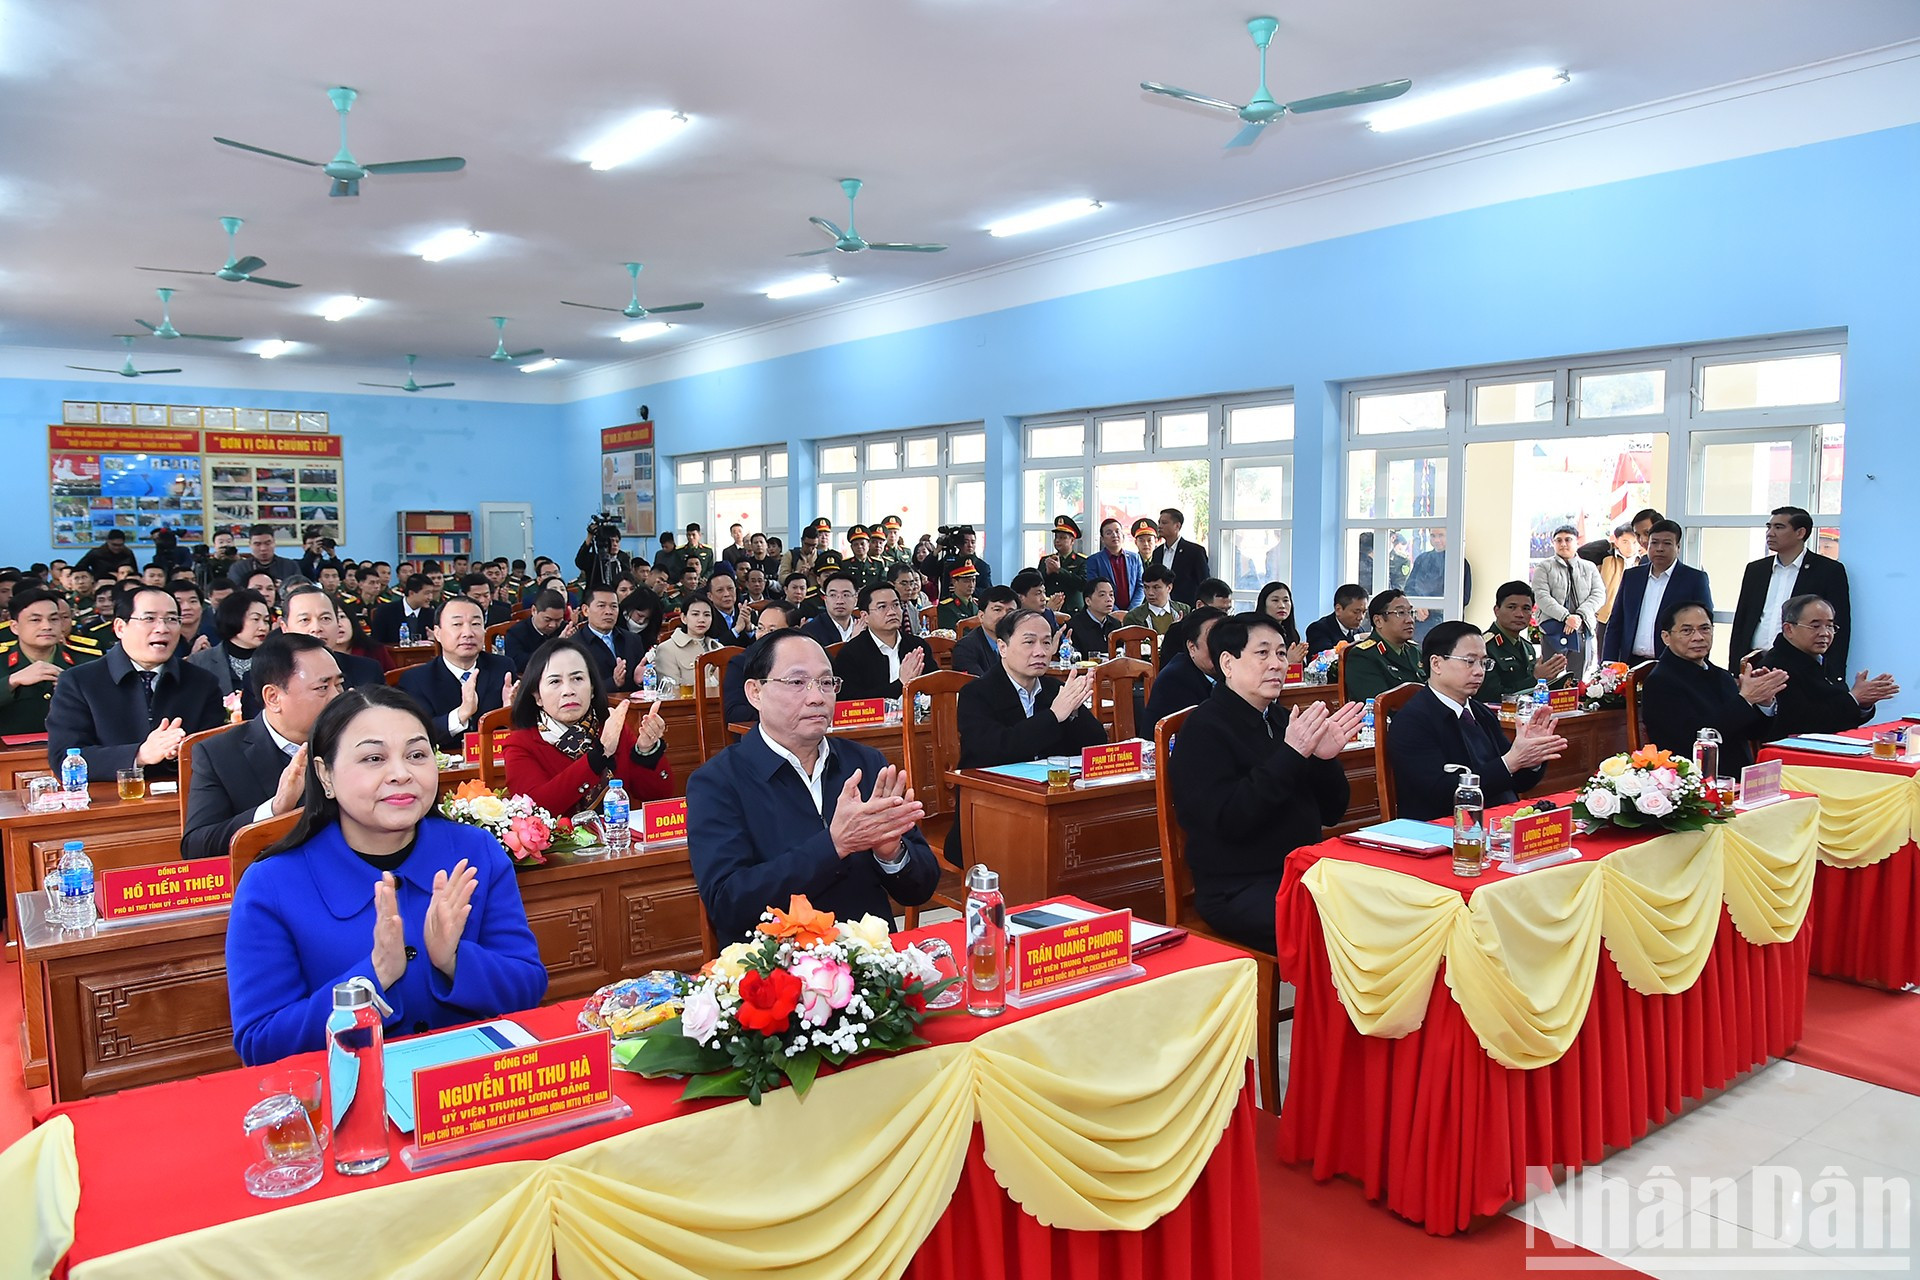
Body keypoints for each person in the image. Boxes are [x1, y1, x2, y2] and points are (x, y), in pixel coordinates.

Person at [225, 687, 548, 1065]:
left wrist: (454, 960)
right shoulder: (271, 885)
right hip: (351, 1102)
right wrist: (374, 977)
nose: (400, 774)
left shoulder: (475, 852)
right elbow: (261, 1044)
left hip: (470, 1093)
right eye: (374, 758)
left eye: (416, 755)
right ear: (324, 775)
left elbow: (528, 987)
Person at [687, 632, 941, 941]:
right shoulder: (717, 781)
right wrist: (834, 846)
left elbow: (921, 888)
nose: (817, 697)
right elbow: (729, 903)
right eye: (797, 683)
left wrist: (891, 854)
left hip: (870, 965)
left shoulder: (864, 763)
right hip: (776, 971)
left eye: (826, 682)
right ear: (755, 692)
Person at [1170, 614, 1363, 951]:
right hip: (1237, 887)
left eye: (1280, 653)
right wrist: (1292, 754)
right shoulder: (1204, 729)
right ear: (1228, 663)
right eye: (1263, 654)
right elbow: (1230, 821)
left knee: (1387, 911)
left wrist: (1323, 759)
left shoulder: (1282, 718)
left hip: (1304, 872)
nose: (1277, 664)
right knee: (1343, 932)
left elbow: (1333, 812)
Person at [952, 608, 1108, 864]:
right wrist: (1054, 716)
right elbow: (997, 749)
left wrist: (1074, 708)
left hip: (1051, 802)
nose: (1040, 651)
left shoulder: (1054, 689)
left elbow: (1095, 745)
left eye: (1047, 642)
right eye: (1029, 642)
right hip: (992, 807)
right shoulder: (976, 693)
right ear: (1002, 647)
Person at [182, 633, 343, 859]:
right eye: (323, 688)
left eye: (340, 684)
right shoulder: (219, 754)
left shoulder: (355, 740)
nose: (338, 697)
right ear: (273, 697)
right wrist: (275, 809)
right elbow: (198, 846)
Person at [1386, 622, 1567, 821]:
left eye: (1483, 663)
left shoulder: (1481, 712)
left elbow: (1518, 782)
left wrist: (1532, 757)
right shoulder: (1412, 721)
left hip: (1498, 820)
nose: (1479, 671)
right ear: (1436, 664)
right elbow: (1440, 792)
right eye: (1469, 662)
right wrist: (1510, 762)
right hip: (1443, 829)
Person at [44, 585, 225, 775]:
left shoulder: (203, 682)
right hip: (109, 801)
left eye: (172, 619)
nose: (162, 628)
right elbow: (64, 757)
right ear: (120, 628)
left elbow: (215, 753)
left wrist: (178, 752)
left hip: (184, 798)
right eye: (149, 619)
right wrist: (140, 755)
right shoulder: (78, 682)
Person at [501, 637, 673, 816]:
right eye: (555, 682)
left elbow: (658, 796)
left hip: (616, 839)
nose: (568, 690)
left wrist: (646, 751)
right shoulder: (520, 744)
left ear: (592, 689)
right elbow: (536, 810)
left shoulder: (611, 728)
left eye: (577, 678)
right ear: (537, 696)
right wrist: (598, 755)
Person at [1641, 601, 1788, 773]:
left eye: (1705, 628)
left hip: (1741, 776)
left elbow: (1752, 733)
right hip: (1694, 779)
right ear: (1666, 637)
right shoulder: (1660, 682)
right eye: (1687, 631)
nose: (1698, 637)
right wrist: (1746, 699)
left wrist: (1763, 702)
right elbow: (1695, 738)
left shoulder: (1721, 675)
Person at [1731, 505, 1852, 671]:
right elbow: (1742, 621)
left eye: (1779, 527)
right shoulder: (1756, 570)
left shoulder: (1828, 570)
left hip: (1800, 665)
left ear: (1800, 533)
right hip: (1756, 661)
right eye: (1769, 527)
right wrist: (1734, 668)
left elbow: (1839, 625)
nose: (1770, 533)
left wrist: (1834, 673)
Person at [1765, 594, 1900, 738]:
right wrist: (1853, 699)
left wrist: (1863, 704)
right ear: (1789, 629)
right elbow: (1800, 723)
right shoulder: (1776, 667)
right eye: (1815, 626)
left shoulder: (1822, 660)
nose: (1825, 633)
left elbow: (1840, 715)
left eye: (1830, 626)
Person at [397, 597, 518, 752]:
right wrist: (462, 714)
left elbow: (520, 727)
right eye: (457, 624)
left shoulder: (502, 667)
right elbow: (417, 733)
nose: (468, 633)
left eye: (475, 624)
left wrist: (509, 713)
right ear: (438, 634)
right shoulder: (416, 679)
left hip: (495, 761)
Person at [1604, 520, 1714, 664]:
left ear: (1678, 547)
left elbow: (1705, 626)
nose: (1659, 548)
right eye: (1654, 543)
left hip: (1673, 665)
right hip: (1631, 663)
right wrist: (1608, 663)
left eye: (1667, 543)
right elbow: (1616, 623)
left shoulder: (1694, 579)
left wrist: (1699, 664)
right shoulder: (1632, 577)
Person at [0, 588, 94, 735]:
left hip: (75, 752)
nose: (47, 626)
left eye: (54, 619)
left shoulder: (88, 661)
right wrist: (11, 682)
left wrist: (77, 691)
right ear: (15, 627)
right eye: (35, 620)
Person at [833, 582, 931, 700]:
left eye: (896, 605)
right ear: (865, 616)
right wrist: (901, 683)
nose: (892, 612)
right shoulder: (850, 654)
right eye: (882, 607)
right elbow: (851, 701)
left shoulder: (917, 646)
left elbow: (936, 685)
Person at [280, 585, 385, 691]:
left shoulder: (368, 670)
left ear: (337, 623)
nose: (316, 628)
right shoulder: (270, 673)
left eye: (325, 618)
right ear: (285, 628)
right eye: (305, 620)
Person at [1530, 525, 1605, 670]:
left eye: (1568, 540)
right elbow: (1541, 596)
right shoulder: (1544, 567)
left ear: (1577, 542)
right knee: (1551, 676)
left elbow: (1599, 594)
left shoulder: (1589, 567)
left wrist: (1579, 616)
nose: (1563, 544)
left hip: (1581, 629)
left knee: (1578, 679)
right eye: (1558, 540)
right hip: (1553, 629)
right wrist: (1565, 617)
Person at [1143, 606, 1227, 735]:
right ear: (1192, 647)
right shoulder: (1175, 679)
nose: (1221, 647)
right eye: (1213, 639)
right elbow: (1208, 729)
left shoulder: (1229, 673)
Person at [1482, 581, 1568, 700]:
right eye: (1511, 607)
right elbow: (1491, 696)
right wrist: (1536, 679)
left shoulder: (1528, 647)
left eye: (1526, 608)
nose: (1519, 614)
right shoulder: (1483, 647)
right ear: (1497, 610)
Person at [187, 587, 271, 705]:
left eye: (266, 620)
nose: (263, 627)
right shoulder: (200, 661)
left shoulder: (275, 660)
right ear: (234, 618)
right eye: (256, 619)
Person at [1337, 589, 1424, 701]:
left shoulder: (1414, 651)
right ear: (1378, 621)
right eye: (1401, 613)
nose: (1410, 620)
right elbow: (1380, 707)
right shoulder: (1363, 656)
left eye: (1411, 612)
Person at [724, 601, 798, 730]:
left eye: (771, 630)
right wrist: (781, 710)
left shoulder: (807, 660)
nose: (763, 635)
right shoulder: (740, 664)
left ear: (794, 631)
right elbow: (734, 713)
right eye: (760, 628)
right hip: (759, 734)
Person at [1586, 522, 1641, 661]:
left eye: (1635, 542)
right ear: (1616, 541)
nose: (1630, 547)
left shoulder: (1643, 561)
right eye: (1625, 542)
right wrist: (1607, 544)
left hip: (1633, 615)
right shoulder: (1607, 558)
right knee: (1605, 657)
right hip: (1607, 615)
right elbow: (1583, 552)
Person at [650, 595, 724, 692]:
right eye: (695, 614)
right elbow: (670, 692)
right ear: (684, 618)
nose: (701, 619)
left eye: (707, 615)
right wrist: (713, 681)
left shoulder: (719, 648)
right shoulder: (667, 649)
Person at [951, 586, 1017, 678]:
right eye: (997, 610)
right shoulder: (966, 648)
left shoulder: (1021, 643)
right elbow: (978, 686)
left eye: (1010, 611)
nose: (1004, 616)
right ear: (981, 616)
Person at [503, 589, 569, 673]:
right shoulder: (516, 633)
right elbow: (518, 664)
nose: (552, 625)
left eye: (558, 620)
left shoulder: (565, 629)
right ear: (534, 610)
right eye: (547, 619)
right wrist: (556, 645)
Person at [1084, 518, 1144, 611]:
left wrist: (1132, 610)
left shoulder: (1135, 558)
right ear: (1102, 539)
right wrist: (1116, 612)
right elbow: (1094, 590)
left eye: (1117, 531)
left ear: (1123, 535)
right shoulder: (1094, 560)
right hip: (1107, 613)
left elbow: (1141, 586)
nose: (1114, 535)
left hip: (1133, 612)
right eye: (1109, 533)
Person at [1038, 515, 1090, 615]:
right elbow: (1037, 584)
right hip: (1050, 608)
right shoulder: (1046, 560)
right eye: (1056, 537)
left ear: (1072, 541)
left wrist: (1059, 570)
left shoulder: (1082, 561)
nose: (1057, 540)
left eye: (1062, 537)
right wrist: (1047, 573)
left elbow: (1083, 584)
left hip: (1073, 610)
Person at [1066, 577, 1124, 661]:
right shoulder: (1074, 626)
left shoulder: (1116, 624)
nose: (1109, 599)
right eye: (1102, 595)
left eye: (1111, 595)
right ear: (1088, 601)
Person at [372, 574, 438, 646]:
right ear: (411, 593)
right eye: (427, 593)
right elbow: (376, 643)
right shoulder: (386, 611)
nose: (430, 598)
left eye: (431, 593)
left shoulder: (432, 614)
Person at [801, 572, 864, 648]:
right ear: (825, 599)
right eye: (833, 595)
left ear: (856, 599)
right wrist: (854, 641)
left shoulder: (864, 627)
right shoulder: (811, 630)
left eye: (846, 595)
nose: (839, 601)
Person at [228, 523, 301, 589]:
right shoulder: (238, 568)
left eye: (267, 543)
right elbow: (235, 593)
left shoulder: (290, 566)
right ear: (250, 545)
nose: (263, 548)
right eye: (257, 544)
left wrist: (284, 589)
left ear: (274, 542)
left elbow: (300, 590)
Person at [1124, 564, 1188, 636]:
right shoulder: (1134, 617)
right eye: (1146, 587)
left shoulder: (1184, 611)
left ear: (1169, 588)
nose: (1150, 593)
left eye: (1156, 587)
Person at [1305, 584, 1369, 655]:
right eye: (1356, 612)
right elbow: (1324, 658)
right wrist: (1356, 639)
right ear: (1338, 609)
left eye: (1364, 612)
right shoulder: (1318, 629)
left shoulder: (1359, 630)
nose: (1361, 617)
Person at [1254, 582, 1309, 663]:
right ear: (1264, 604)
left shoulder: (1291, 633)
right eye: (1275, 600)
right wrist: (1289, 663)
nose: (1282, 605)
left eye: (1286, 600)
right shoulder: (1255, 633)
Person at [935, 564, 982, 632]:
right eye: (966, 581)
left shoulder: (977, 604)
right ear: (954, 582)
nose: (971, 585)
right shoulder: (946, 607)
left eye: (973, 580)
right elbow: (952, 634)